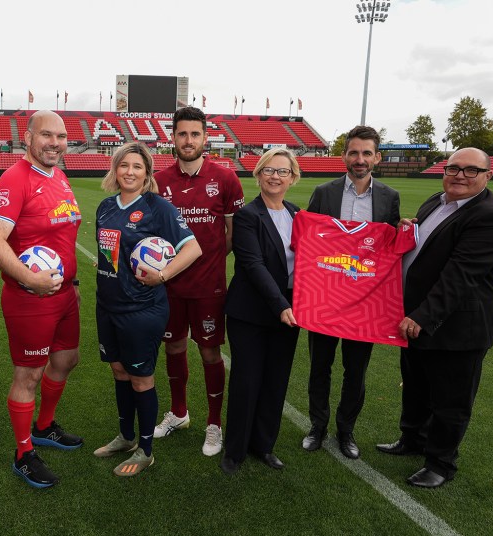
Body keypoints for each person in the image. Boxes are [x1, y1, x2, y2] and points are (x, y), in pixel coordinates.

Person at [377, 147, 493, 488]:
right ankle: (412, 439)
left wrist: (422, 316)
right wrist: (407, 229)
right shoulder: (437, 201)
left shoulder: (489, 217)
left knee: (451, 399)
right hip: (418, 319)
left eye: (471, 170)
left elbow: (460, 276)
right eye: (454, 168)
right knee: (417, 387)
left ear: (487, 176)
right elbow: (423, 248)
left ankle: (440, 463)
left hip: (456, 327)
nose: (460, 176)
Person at [0, 110, 83, 488]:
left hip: (64, 295)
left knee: (67, 359)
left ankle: (44, 426)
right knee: (30, 375)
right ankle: (24, 453)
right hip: (30, 297)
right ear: (27, 138)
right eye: (46, 135)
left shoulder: (58, 175)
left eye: (61, 136)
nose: (55, 143)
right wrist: (30, 279)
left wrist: (66, 282)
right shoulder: (15, 179)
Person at [93, 142, 201, 476]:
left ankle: (146, 449)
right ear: (115, 169)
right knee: (119, 371)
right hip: (107, 305)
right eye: (124, 165)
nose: (129, 172)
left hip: (141, 309)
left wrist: (164, 274)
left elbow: (193, 248)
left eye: (137, 167)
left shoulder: (159, 208)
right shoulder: (105, 207)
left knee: (141, 379)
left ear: (147, 172)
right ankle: (126, 437)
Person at [302, 125, 401, 459]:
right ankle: (317, 426)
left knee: (355, 371)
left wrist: (404, 230)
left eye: (367, 153)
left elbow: (389, 250)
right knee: (320, 367)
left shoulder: (389, 197)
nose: (360, 159)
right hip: (325, 299)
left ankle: (346, 431)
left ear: (377, 157)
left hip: (365, 303)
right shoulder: (324, 192)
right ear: (344, 155)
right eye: (354, 152)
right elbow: (311, 242)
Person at [153, 107, 244, 456]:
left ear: (205, 138)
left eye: (195, 134)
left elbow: (232, 236)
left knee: (209, 352)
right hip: (169, 285)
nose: (188, 141)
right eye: (182, 134)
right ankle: (178, 413)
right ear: (172, 138)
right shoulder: (159, 181)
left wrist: (207, 263)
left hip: (209, 287)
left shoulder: (225, 178)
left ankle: (214, 424)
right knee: (173, 347)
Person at [220, 148, 302, 474]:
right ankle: (235, 450)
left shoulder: (299, 215)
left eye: (282, 171)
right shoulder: (247, 216)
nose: (275, 176)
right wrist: (281, 304)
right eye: (269, 170)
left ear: (292, 178)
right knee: (247, 381)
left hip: (289, 313)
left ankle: (263, 445)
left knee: (275, 382)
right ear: (258, 174)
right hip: (251, 313)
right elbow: (253, 265)